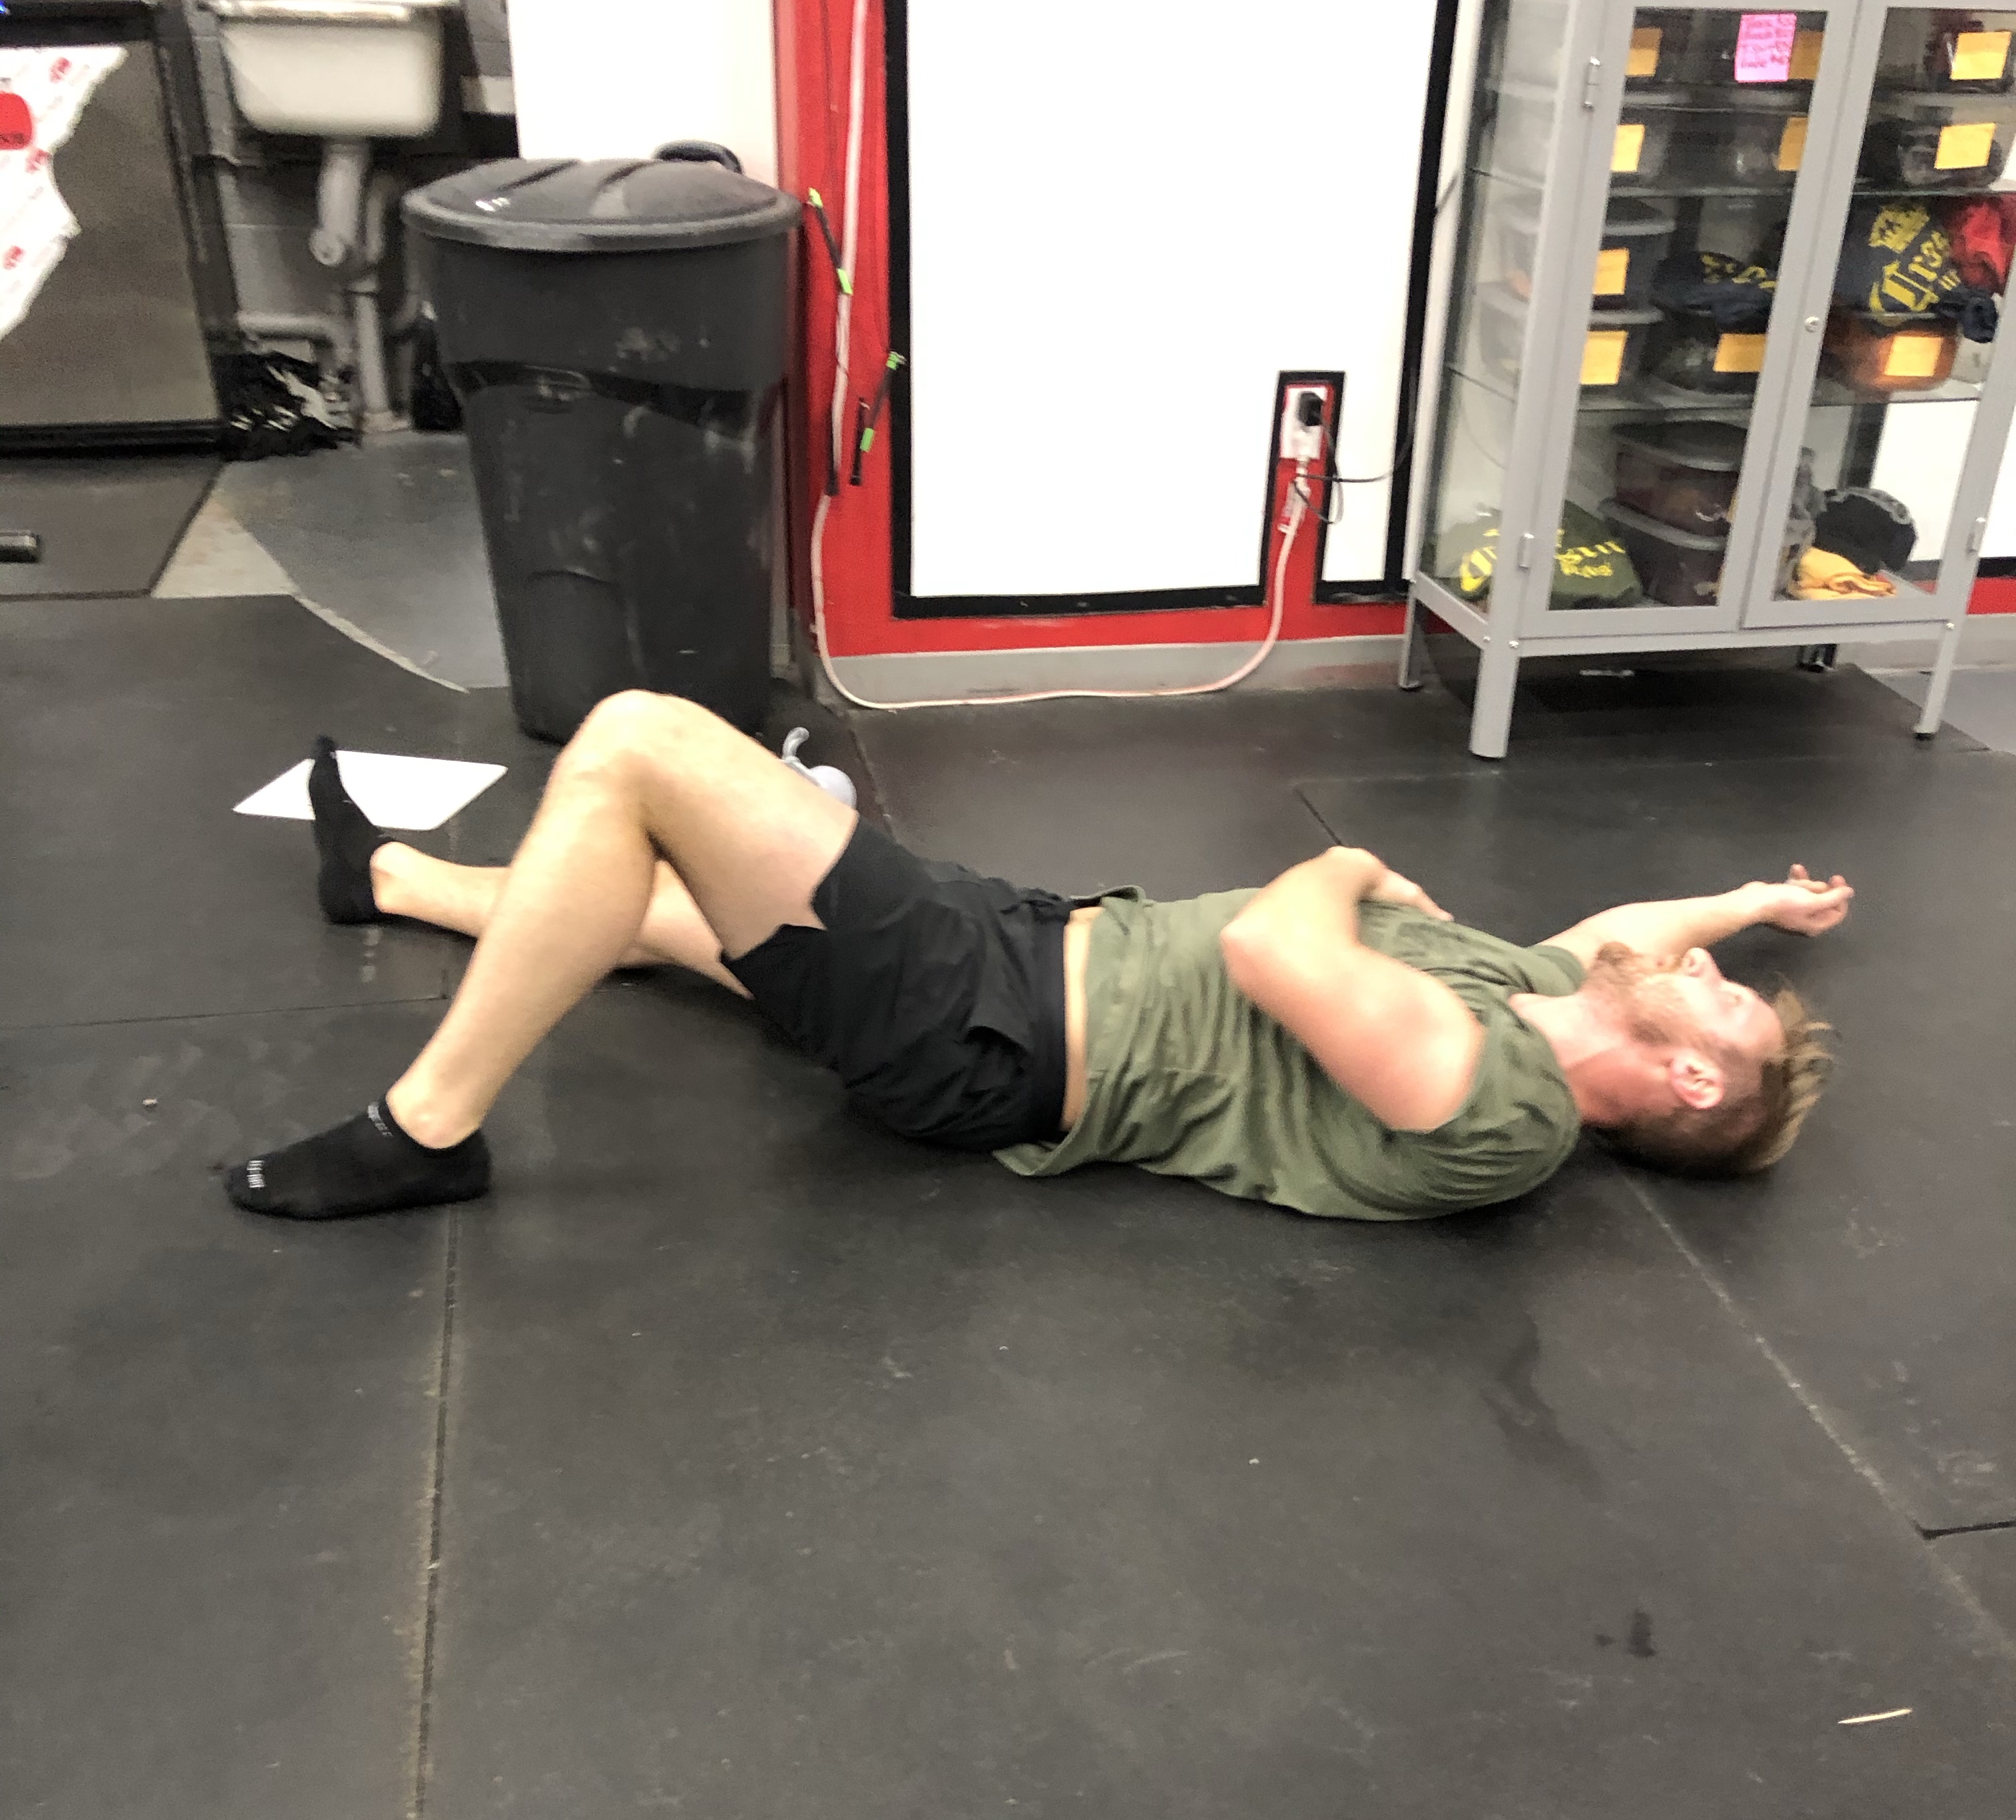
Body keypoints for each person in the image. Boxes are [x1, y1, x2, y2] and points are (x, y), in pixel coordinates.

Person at [226, 692, 1849, 1226]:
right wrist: (1746, 907)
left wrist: (1351, 862)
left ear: (1689, 1079)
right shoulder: (1539, 999)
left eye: (1720, 1006)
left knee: (639, 748)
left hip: (986, 1032)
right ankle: (397, 879)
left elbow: (1280, 948)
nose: (1694, 970)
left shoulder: (1502, 1107)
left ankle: (427, 1131)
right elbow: (1622, 941)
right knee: (660, 907)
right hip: (1021, 952)